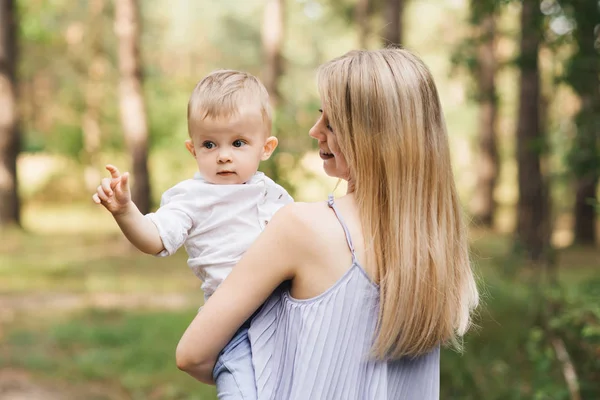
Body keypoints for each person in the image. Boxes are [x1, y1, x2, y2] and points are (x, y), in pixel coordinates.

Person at [175, 48, 479, 399]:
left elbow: (192, 354)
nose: (314, 130)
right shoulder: (437, 245)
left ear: (373, 136)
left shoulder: (302, 227)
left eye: (331, 122)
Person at [92, 70, 293, 400]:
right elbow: (155, 239)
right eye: (210, 144)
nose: (223, 155)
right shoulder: (190, 197)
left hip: (284, 313)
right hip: (233, 323)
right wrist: (125, 211)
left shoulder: (273, 194)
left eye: (238, 143)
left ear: (265, 147)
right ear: (192, 149)